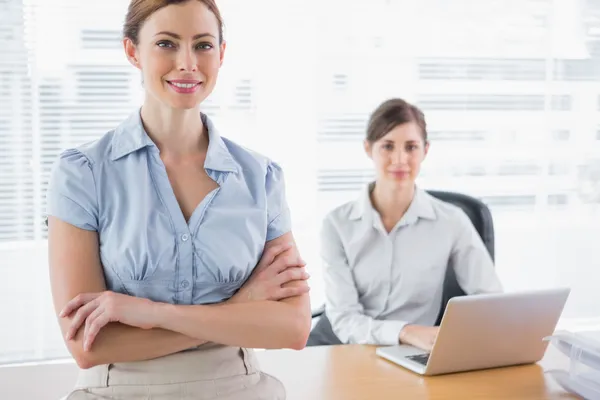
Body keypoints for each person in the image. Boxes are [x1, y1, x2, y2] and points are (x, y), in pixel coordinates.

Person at [47, 1, 311, 398]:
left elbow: (292, 328)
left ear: (221, 54)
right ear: (133, 51)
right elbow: (89, 345)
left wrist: (149, 314)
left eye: (203, 45)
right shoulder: (83, 173)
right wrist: (238, 310)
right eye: (167, 44)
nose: (187, 63)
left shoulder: (261, 176)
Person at [320, 98, 502, 351]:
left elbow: (490, 300)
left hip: (412, 351)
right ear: (368, 148)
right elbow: (344, 319)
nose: (400, 159)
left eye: (411, 147)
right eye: (387, 146)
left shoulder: (451, 221)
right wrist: (405, 331)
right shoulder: (337, 225)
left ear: (425, 150)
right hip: (344, 345)